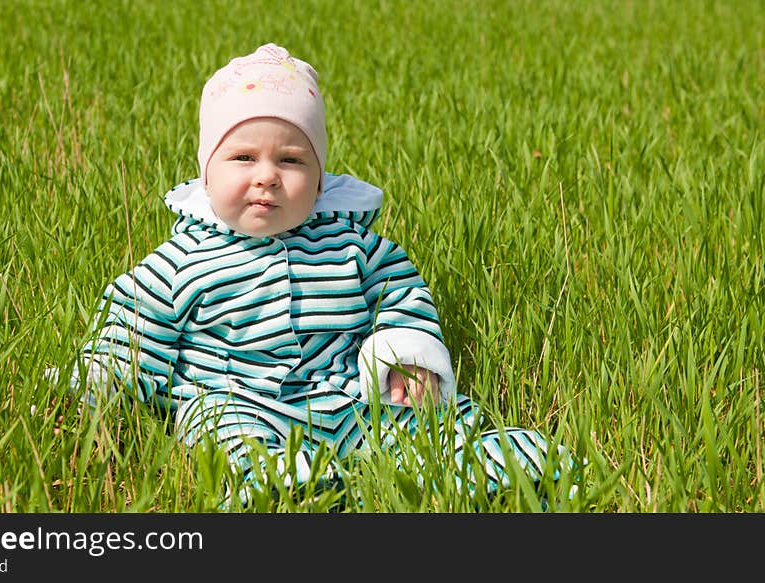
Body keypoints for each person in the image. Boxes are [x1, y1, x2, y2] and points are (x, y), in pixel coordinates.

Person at [62, 43, 575, 505]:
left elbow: (399, 293)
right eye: (243, 157)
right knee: (219, 432)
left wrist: (405, 357)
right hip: (241, 401)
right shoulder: (182, 259)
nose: (266, 175)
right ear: (206, 169)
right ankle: (286, 486)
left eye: (291, 159)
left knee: (433, 422)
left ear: (319, 176)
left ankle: (495, 467)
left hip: (346, 395)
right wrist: (98, 389)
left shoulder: (350, 244)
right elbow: (131, 328)